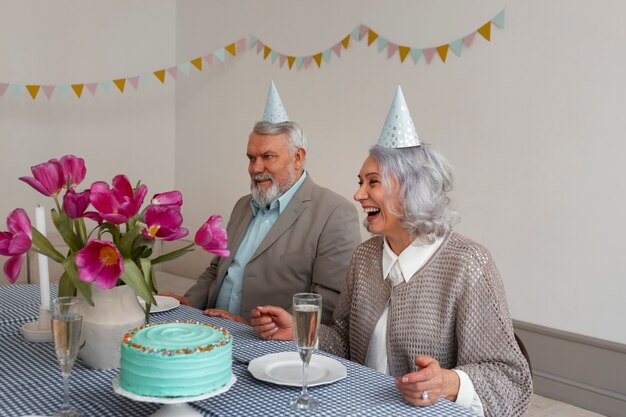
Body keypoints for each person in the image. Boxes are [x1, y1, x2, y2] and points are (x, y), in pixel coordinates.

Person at [250, 87, 533, 417]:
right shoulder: (365, 256)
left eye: (373, 182)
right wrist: (301, 332)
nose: (358, 194)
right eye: (360, 181)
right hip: (354, 406)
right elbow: (344, 340)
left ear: (412, 188)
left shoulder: (468, 264)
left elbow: (511, 379)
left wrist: (447, 382)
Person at [162, 81, 361, 325]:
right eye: (251, 157)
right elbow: (217, 270)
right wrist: (188, 302)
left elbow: (330, 304)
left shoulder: (334, 213)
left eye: (267, 157)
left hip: (268, 345)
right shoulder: (242, 205)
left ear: (298, 157)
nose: (255, 168)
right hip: (210, 330)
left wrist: (250, 325)